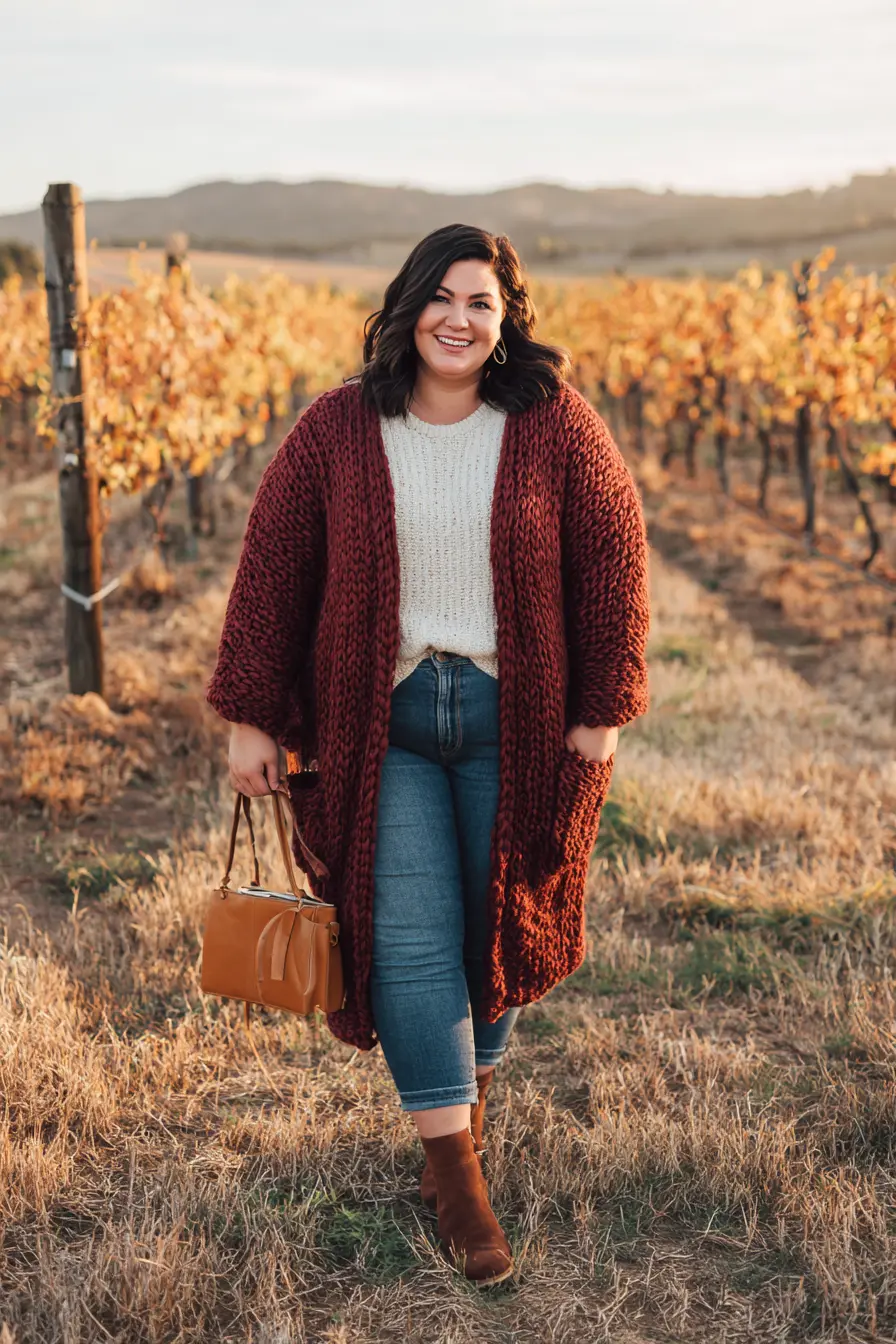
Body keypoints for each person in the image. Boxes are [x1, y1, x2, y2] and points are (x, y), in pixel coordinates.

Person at [206, 224, 650, 1288]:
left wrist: (603, 710)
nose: (459, 318)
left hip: (518, 719)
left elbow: (613, 556)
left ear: (505, 322)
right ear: (407, 306)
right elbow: (273, 567)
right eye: (442, 296)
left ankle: (465, 1108)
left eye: (481, 303)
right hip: (384, 726)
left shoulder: (551, 426)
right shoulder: (339, 429)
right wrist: (249, 712)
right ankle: (454, 1179)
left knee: (491, 927)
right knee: (407, 938)